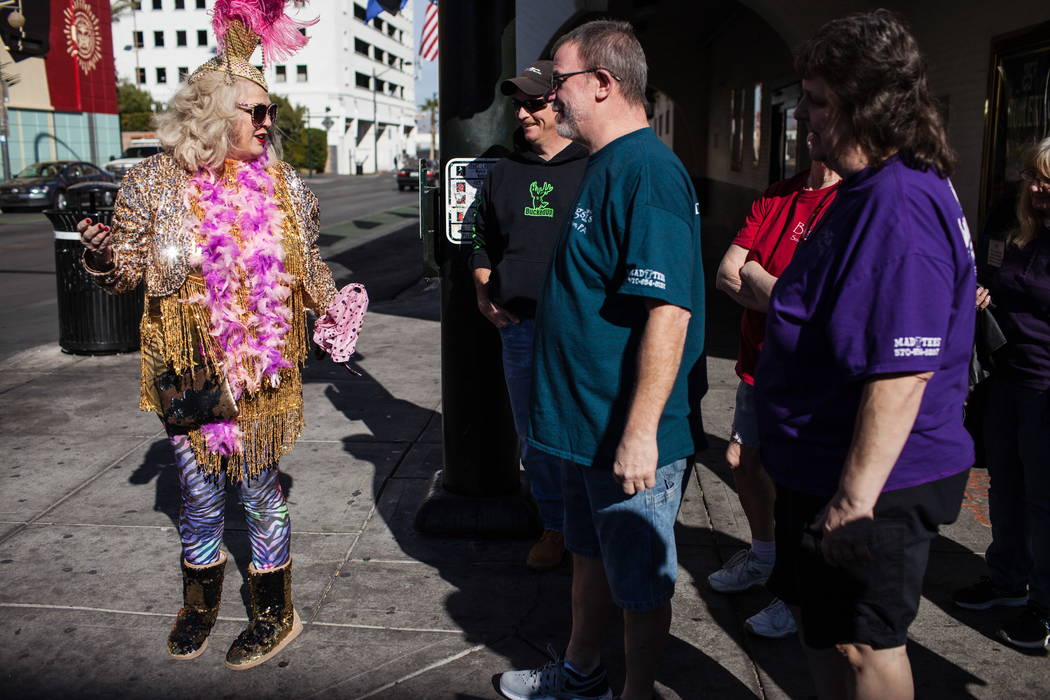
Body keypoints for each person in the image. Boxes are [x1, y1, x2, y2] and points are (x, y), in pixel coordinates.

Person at [77, 4, 336, 670]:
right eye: (256, 111)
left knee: (256, 487)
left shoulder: (286, 188)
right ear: (213, 114)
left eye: (270, 110)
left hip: (262, 362)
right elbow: (129, 271)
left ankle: (277, 610)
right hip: (187, 362)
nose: (268, 122)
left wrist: (335, 308)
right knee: (195, 487)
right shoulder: (150, 185)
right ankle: (199, 602)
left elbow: (311, 267)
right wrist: (107, 257)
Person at [755, 10, 975, 699]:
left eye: (819, 101)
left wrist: (853, 500)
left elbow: (903, 369)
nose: (806, 117)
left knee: (863, 647)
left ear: (866, 104)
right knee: (823, 633)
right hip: (818, 466)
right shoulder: (865, 190)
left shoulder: (900, 202)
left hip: (874, 483)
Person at [497, 20, 704, 700]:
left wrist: (642, 432)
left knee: (641, 581)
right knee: (588, 557)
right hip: (587, 429)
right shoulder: (606, 163)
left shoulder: (649, 172)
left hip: (626, 436)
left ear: (604, 83)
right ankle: (583, 676)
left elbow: (669, 312)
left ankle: (634, 692)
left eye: (560, 81)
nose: (551, 98)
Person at [712, 157, 840, 639]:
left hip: (808, 375)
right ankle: (764, 558)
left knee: (799, 485)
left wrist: (761, 279)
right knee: (742, 460)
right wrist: (785, 296)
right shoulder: (777, 195)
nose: (812, 127)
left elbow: (826, 301)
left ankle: (798, 591)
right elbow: (728, 273)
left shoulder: (846, 202)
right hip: (756, 364)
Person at [469, 60, 589, 570]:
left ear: (559, 103)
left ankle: (588, 526)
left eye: (533, 103)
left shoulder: (595, 167)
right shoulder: (503, 172)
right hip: (518, 329)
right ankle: (556, 526)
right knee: (535, 437)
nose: (522, 113)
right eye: (518, 103)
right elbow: (479, 237)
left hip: (579, 331)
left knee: (580, 432)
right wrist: (481, 288)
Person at [953, 137, 1050, 650]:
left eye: (1048, 181)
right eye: (1033, 176)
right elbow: (988, 272)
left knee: (1044, 500)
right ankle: (1008, 581)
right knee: (1004, 487)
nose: (1036, 188)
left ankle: (1045, 607)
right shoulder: (1013, 225)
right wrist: (981, 289)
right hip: (1005, 377)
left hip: (1046, 389)